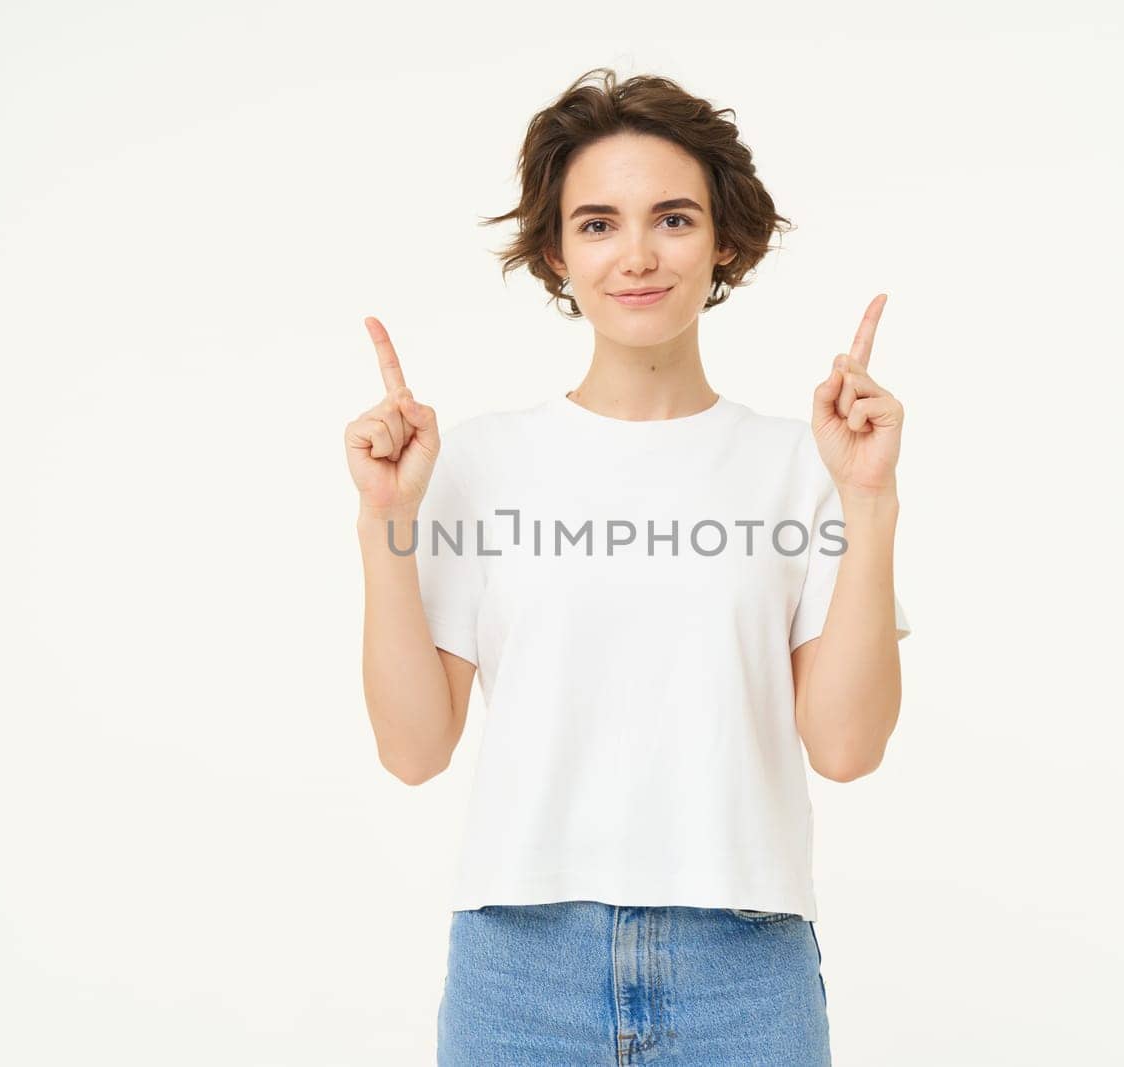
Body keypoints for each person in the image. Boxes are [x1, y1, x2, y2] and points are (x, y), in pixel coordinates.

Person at [347, 68, 911, 1066]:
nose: (638, 254)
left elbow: (846, 745)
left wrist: (868, 502)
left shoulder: (803, 464)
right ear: (557, 255)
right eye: (598, 223)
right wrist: (385, 523)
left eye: (674, 218)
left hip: (746, 968)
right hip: (521, 971)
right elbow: (413, 747)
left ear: (724, 240)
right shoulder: (480, 462)